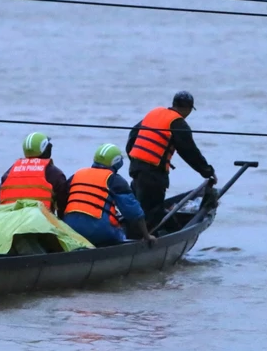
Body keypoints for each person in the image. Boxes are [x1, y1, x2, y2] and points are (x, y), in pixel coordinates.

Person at [126, 91, 216, 229]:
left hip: (136, 169)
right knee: (152, 214)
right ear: (188, 109)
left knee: (139, 208)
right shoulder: (178, 123)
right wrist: (207, 171)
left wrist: (135, 159)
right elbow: (189, 152)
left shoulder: (155, 113)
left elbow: (133, 135)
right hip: (153, 174)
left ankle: (136, 234)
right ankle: (145, 243)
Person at [62, 144, 154, 247]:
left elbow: (62, 198)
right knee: (122, 232)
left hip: (70, 228)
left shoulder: (77, 174)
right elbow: (134, 213)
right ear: (116, 162)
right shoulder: (115, 180)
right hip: (101, 231)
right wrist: (147, 236)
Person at [0, 132, 68, 216]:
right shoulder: (56, 175)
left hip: (10, 222)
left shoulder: (9, 173)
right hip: (40, 224)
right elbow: (62, 207)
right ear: (47, 149)